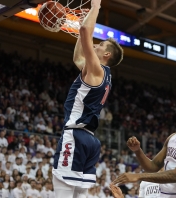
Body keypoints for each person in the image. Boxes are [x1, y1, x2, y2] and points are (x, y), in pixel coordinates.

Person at [52, 0, 123, 197]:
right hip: (90, 141)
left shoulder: (97, 70)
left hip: (75, 136)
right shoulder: (103, 75)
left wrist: (95, 7)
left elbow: (84, 31)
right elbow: (77, 58)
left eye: (100, 45)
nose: (96, 45)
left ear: (106, 54)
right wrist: (83, 25)